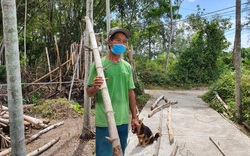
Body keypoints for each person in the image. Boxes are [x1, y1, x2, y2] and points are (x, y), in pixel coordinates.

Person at [86, 27, 140, 156]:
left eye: (124, 41)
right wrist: (95, 86)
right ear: (110, 42)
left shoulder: (126, 66)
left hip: (123, 120)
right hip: (105, 121)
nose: (121, 44)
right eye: (118, 40)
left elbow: (131, 92)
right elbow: (89, 93)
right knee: (104, 154)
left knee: (119, 153)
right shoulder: (99, 65)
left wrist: (134, 117)